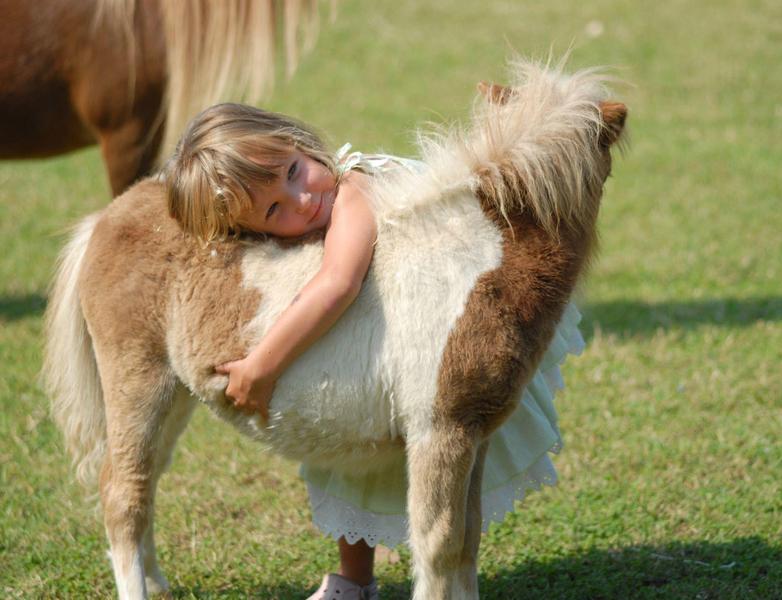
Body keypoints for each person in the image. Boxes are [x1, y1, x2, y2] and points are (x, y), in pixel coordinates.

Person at [164, 102, 585, 600]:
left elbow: (337, 284)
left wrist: (262, 363)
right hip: (389, 325)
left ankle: (420, 575)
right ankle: (358, 579)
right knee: (350, 461)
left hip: (437, 325)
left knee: (430, 450)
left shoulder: (353, 191)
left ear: (298, 141)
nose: (301, 200)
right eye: (273, 210)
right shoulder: (317, 202)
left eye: (294, 172)